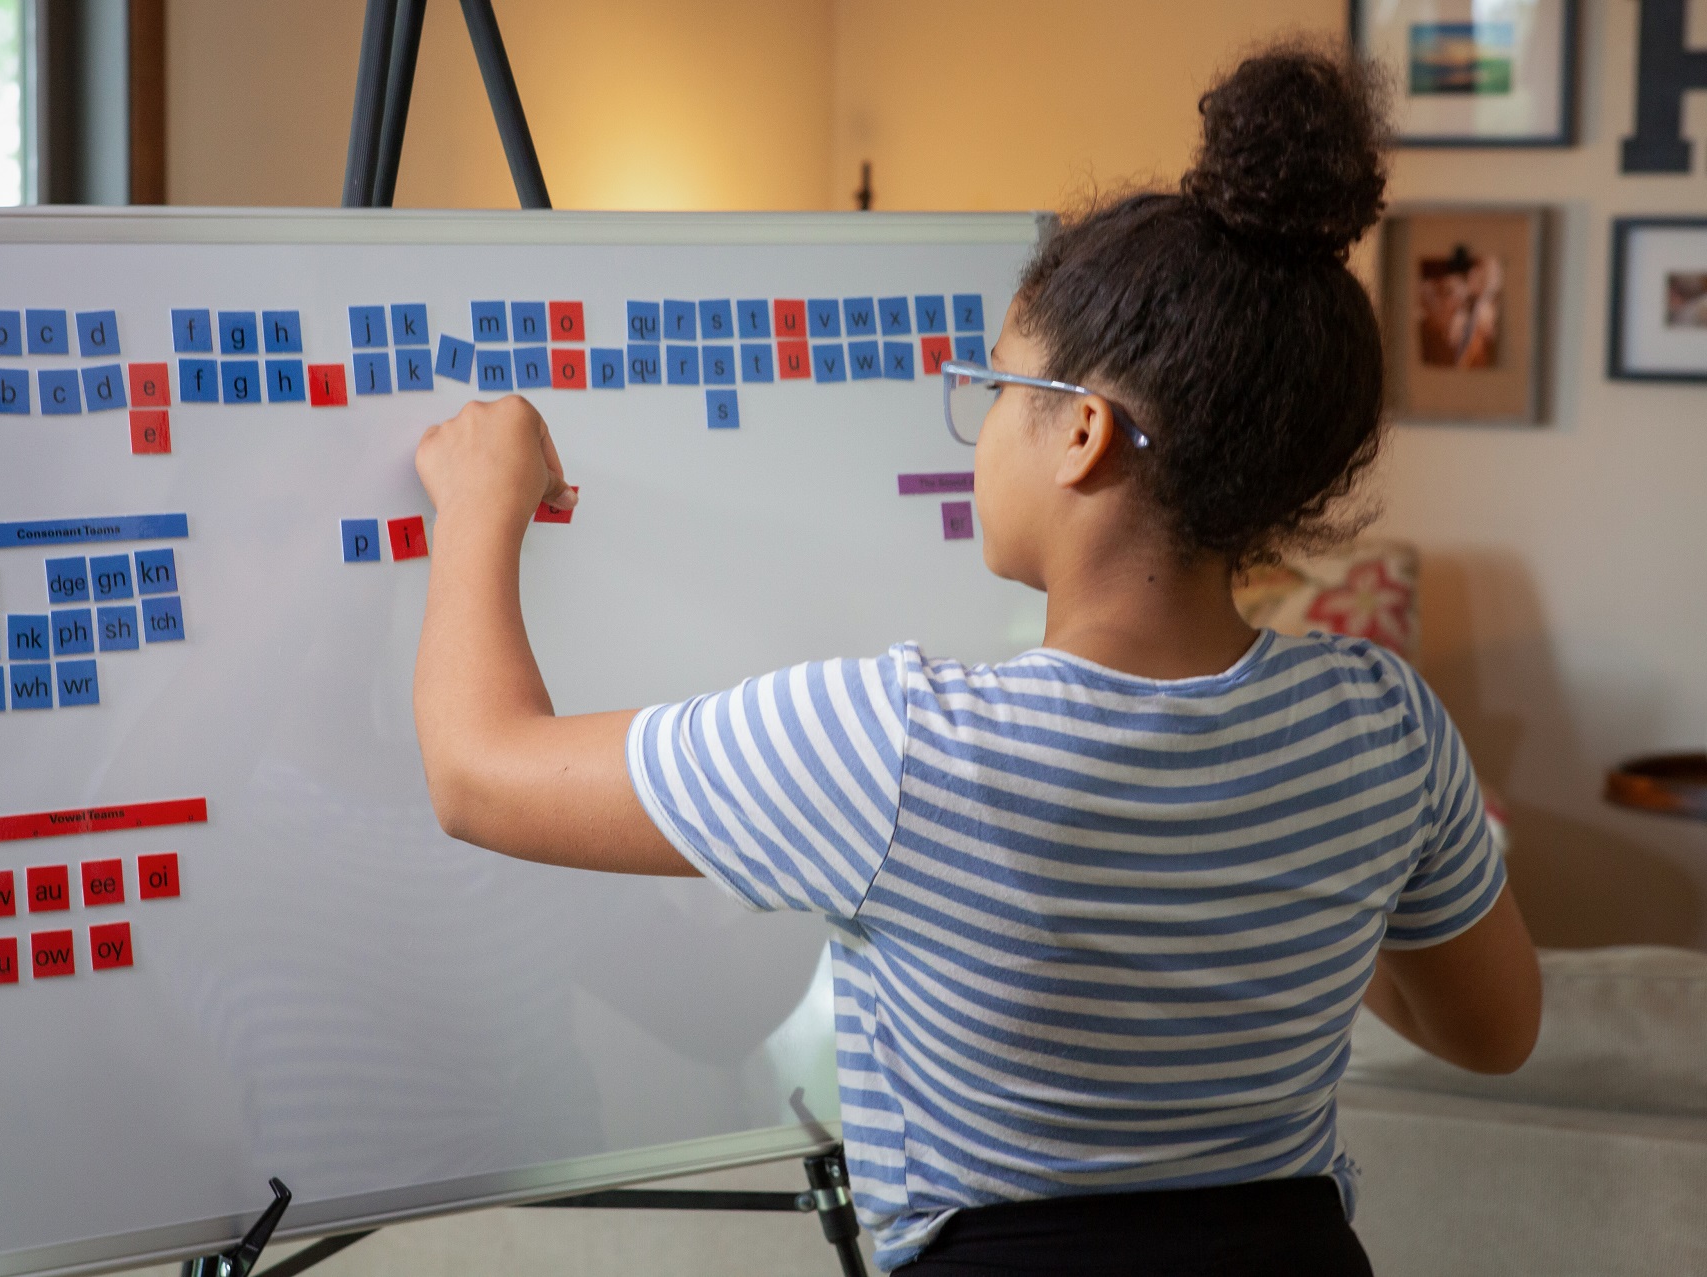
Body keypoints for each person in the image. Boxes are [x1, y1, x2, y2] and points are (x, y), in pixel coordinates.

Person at [408, 42, 1541, 1277]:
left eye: (998, 383)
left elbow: (478, 773)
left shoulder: (900, 743)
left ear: (1083, 434)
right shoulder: (1384, 726)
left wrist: (476, 505)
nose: (979, 419)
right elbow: (1493, 1029)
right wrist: (1284, 899)